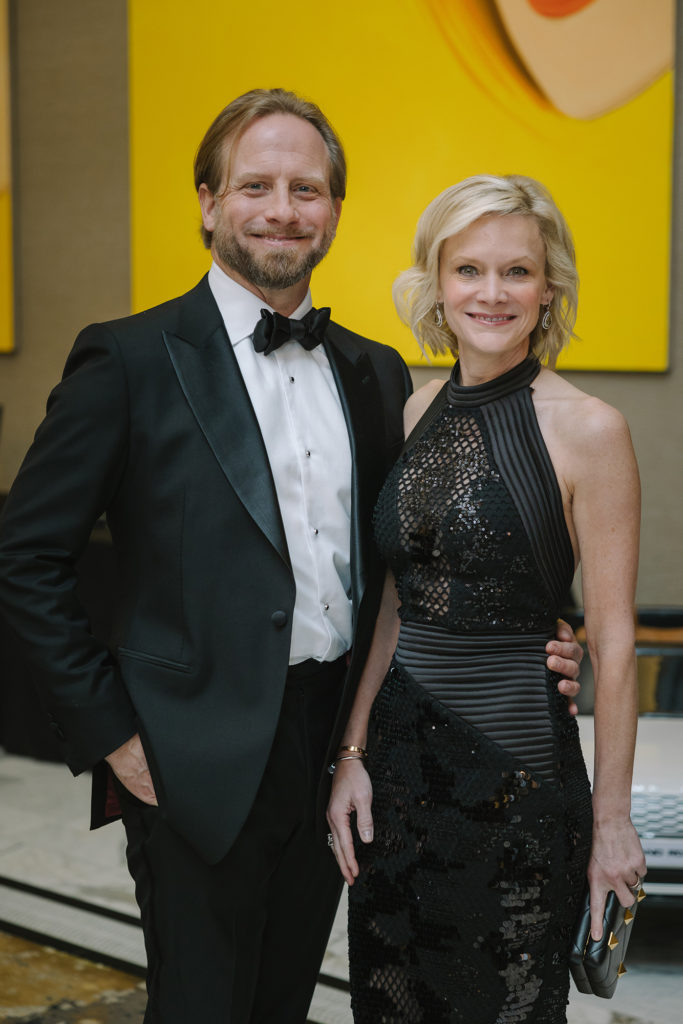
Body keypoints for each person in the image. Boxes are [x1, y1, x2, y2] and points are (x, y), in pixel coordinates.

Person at [0, 92, 583, 1024]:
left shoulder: (376, 370)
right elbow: (24, 557)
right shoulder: (129, 358)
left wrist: (548, 631)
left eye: (305, 188)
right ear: (207, 201)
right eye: (256, 185)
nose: (282, 209)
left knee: (285, 1003)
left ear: (334, 212)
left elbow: (421, 547)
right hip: (189, 755)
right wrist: (109, 734)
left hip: (346, 750)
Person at [327, 174, 646, 1023]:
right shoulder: (417, 406)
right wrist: (352, 755)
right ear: (437, 281)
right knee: (388, 1003)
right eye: (469, 269)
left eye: (517, 272)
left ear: (549, 290)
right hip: (398, 778)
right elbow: (395, 602)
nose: (492, 293)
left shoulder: (588, 428)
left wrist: (612, 822)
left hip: (518, 787)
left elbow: (613, 642)